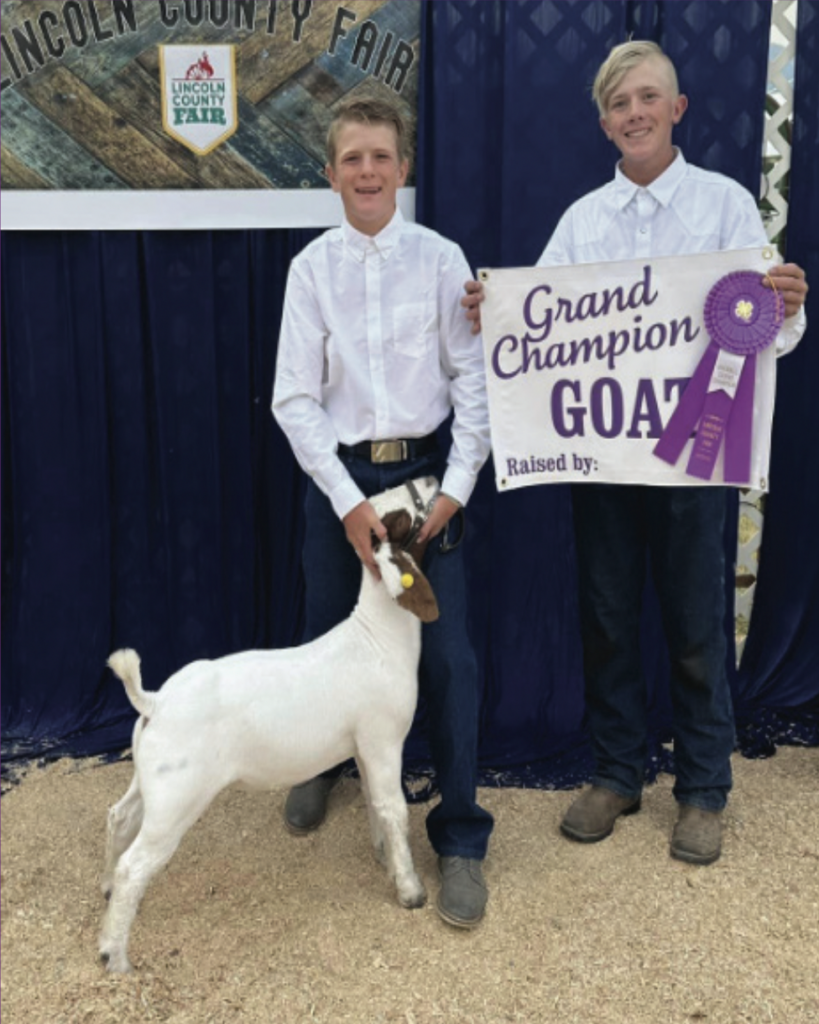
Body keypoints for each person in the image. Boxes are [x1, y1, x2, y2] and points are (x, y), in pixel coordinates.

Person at [463, 40, 808, 865]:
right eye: (619, 103)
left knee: (694, 624)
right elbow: (536, 327)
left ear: (676, 109)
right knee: (607, 617)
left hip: (695, 453)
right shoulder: (582, 221)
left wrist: (786, 306)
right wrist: (493, 311)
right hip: (603, 458)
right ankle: (616, 772)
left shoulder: (724, 205)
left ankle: (702, 788)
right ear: (603, 123)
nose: (635, 113)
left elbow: (768, 338)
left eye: (648, 97)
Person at [272, 99, 494, 926]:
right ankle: (320, 764)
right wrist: (345, 501)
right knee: (326, 638)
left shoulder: (441, 261)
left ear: (403, 168)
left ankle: (461, 836)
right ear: (330, 174)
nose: (366, 171)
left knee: (448, 659)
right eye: (351, 158)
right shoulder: (310, 270)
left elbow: (473, 381)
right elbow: (294, 399)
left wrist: (456, 487)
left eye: (380, 157)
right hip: (341, 482)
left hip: (424, 483)